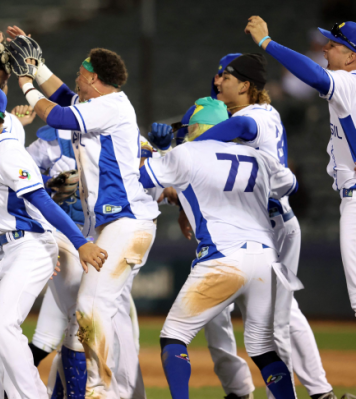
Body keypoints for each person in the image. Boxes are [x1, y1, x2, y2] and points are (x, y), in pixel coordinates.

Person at [10, 27, 159, 396]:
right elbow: (64, 96)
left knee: (92, 309)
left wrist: (27, 81)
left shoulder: (113, 105)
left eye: (81, 73)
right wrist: (38, 66)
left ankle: (100, 390)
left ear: (94, 78)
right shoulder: (100, 103)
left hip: (126, 222)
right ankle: (98, 390)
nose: (76, 77)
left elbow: (58, 116)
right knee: (92, 312)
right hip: (111, 226)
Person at [187, 53, 335, 399]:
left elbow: (228, 134)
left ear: (246, 85)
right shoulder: (254, 111)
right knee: (284, 315)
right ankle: (321, 392)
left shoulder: (252, 117)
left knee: (275, 325)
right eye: (218, 75)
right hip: (257, 226)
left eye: (226, 76)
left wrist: (177, 150)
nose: (218, 80)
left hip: (272, 226)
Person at [0, 81, 107, 398]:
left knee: (2, 325)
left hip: (30, 247)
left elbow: (44, 202)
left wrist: (80, 242)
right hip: (12, 250)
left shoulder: (7, 151)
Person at [141, 97, 299, 399]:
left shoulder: (187, 152)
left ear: (196, 127)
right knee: (264, 349)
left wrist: (159, 149)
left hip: (223, 257)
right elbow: (290, 185)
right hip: (266, 259)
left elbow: (145, 179)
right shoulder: (258, 156)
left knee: (174, 336)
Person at [245, 16, 356, 321]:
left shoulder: (349, 81)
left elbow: (315, 76)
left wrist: (266, 42)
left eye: (333, 46)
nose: (325, 50)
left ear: (352, 56)